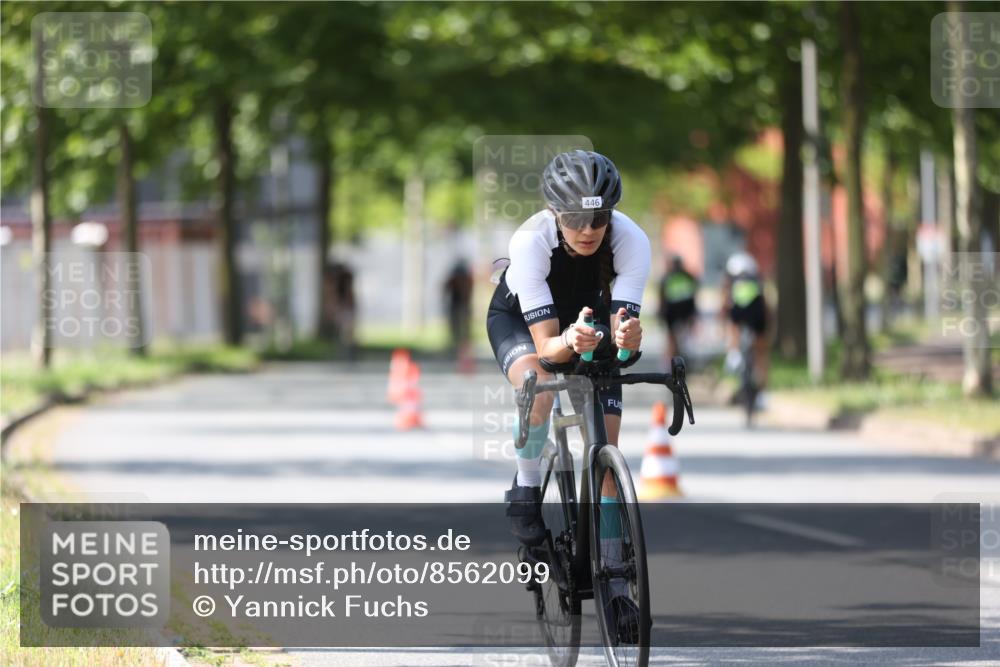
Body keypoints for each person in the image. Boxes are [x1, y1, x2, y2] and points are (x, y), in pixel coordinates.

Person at [485, 150, 650, 629]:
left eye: (598, 216)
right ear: (555, 212)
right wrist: (570, 344)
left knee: (606, 450)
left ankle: (618, 584)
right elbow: (549, 348)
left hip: (588, 322)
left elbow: (623, 333)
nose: (587, 228)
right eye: (575, 217)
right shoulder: (531, 242)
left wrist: (626, 341)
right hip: (522, 324)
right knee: (540, 383)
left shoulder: (631, 240)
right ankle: (526, 487)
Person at [721, 252, 768, 406]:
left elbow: (726, 304)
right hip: (757, 314)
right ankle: (762, 394)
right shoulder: (757, 280)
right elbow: (765, 305)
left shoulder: (732, 281)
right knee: (761, 353)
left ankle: (733, 354)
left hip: (738, 314)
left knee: (733, 325)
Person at [657, 254, 698, 361]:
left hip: (672, 311)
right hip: (684, 310)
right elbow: (694, 292)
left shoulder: (667, 277)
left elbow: (662, 296)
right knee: (679, 336)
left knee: (671, 338)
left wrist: (660, 312)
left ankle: (670, 359)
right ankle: (680, 355)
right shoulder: (688, 276)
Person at [443, 259, 474, 366]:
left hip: (462, 305)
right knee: (457, 329)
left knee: (464, 330)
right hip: (457, 305)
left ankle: (464, 350)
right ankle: (457, 348)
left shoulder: (466, 279)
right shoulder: (458, 279)